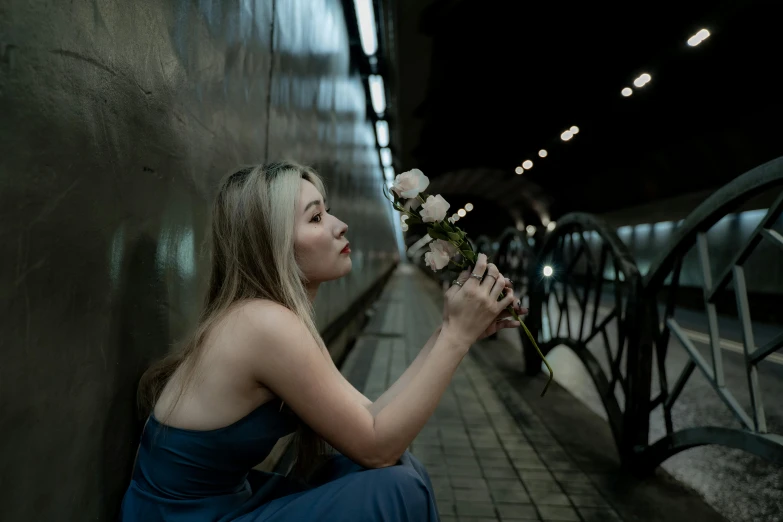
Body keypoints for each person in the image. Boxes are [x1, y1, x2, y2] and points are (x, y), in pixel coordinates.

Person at [119, 161, 526, 521]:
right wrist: (456, 336)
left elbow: (372, 419)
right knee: (402, 486)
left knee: (403, 471)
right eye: (315, 218)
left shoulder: (259, 316)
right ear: (272, 244)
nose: (339, 224)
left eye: (326, 210)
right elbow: (376, 444)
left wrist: (454, 329)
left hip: (217, 501)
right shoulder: (263, 323)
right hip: (187, 516)